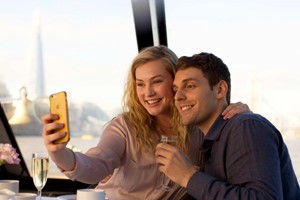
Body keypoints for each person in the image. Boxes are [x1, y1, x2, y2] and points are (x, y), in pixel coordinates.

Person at [42, 46, 250, 200]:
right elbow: (97, 164)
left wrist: (241, 113)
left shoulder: (198, 127)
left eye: (157, 82)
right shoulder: (124, 126)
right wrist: (60, 153)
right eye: (140, 84)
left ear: (175, 82)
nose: (147, 93)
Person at [156, 52, 300, 199]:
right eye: (175, 89)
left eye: (190, 86)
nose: (178, 97)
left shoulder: (245, 127)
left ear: (220, 90)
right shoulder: (214, 139)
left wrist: (189, 177)